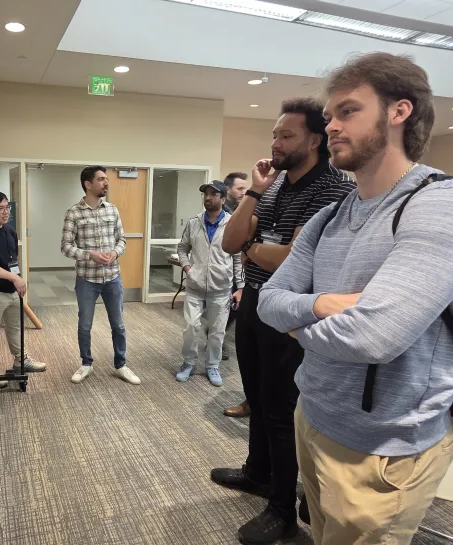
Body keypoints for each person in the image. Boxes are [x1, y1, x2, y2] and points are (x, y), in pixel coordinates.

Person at [258, 52, 453, 545]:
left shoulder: (447, 205)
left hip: (384, 449)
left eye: (348, 111)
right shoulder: (330, 215)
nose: (331, 126)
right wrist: (320, 305)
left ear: (399, 111)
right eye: (329, 116)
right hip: (312, 415)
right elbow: (267, 299)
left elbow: (371, 338)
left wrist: (295, 321)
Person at [214, 98, 355, 544]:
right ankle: (257, 472)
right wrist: (255, 191)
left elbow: (295, 260)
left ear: (314, 141)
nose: (275, 143)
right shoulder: (274, 187)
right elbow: (229, 242)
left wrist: (253, 248)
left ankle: (282, 509)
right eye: (274, 134)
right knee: (256, 397)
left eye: (286, 135)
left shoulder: (333, 188)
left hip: (294, 311)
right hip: (255, 302)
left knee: (280, 409)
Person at [61, 166, 140, 385]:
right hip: (87, 279)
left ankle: (121, 365)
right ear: (88, 184)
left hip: (112, 277)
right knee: (84, 325)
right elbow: (66, 247)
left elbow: (122, 240)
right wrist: (90, 255)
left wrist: (115, 252)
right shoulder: (74, 213)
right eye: (101, 179)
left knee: (119, 325)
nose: (106, 183)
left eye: (106, 179)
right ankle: (86, 364)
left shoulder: (112, 210)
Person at [176, 181, 244, 385]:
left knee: (217, 331)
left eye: (213, 194)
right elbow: (182, 248)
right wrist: (188, 269)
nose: (208, 197)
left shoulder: (232, 224)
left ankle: (213, 365)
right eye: (206, 194)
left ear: (223, 199)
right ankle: (188, 362)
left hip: (221, 288)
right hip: (195, 287)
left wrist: (241, 287)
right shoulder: (194, 223)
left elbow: (238, 257)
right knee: (191, 327)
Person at [0, 191, 46, 388]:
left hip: (12, 291)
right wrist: (14, 278)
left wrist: (17, 279)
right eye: (0, 208)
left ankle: (20, 361)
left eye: (7, 207)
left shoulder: (10, 231)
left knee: (15, 328)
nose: (6, 212)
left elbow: (11, 260)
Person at [222, 172, 251, 409]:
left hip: (241, 273)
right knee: (229, 310)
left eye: (245, 188)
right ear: (228, 190)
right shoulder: (225, 214)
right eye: (240, 188)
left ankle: (218, 336)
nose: (243, 192)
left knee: (232, 309)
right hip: (225, 272)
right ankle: (217, 337)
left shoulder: (245, 211)